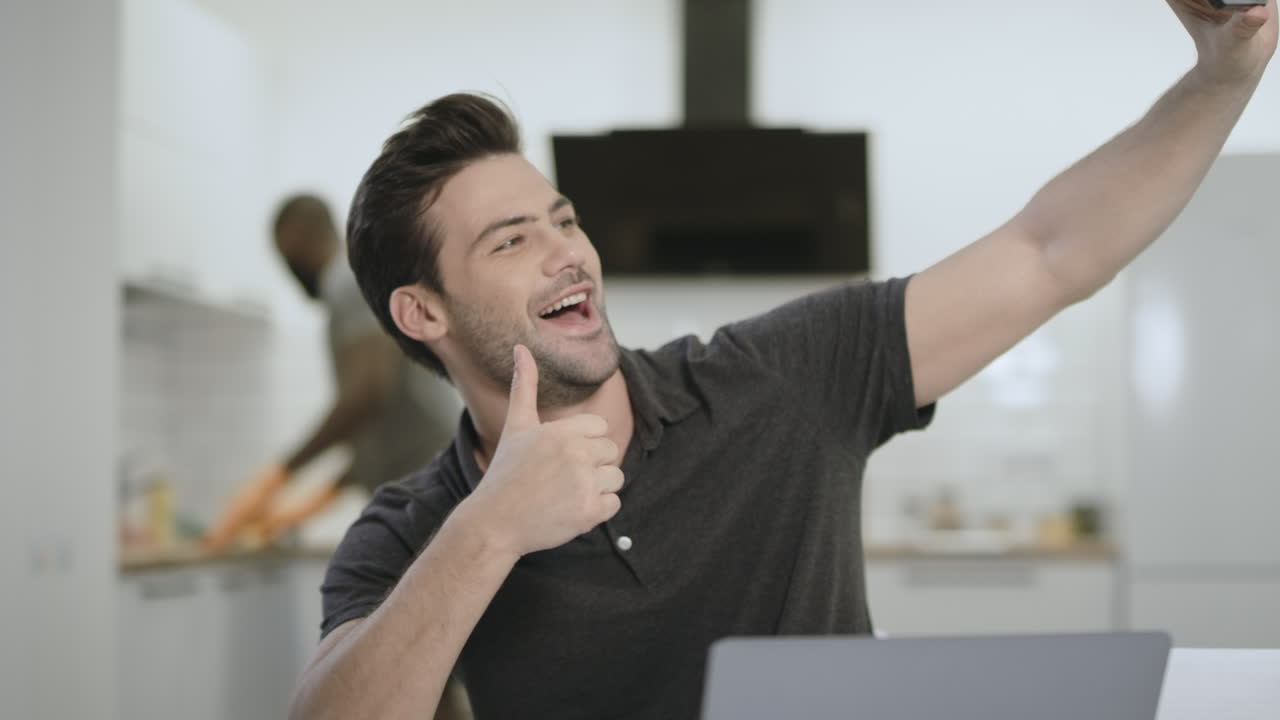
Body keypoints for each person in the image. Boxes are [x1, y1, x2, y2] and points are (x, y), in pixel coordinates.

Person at [288, 3, 1275, 718]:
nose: (566, 252)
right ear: (422, 311)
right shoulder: (415, 530)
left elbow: (1047, 252)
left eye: (563, 219)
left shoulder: (777, 379)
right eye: (510, 242)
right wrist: (490, 528)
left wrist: (1222, 76)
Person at [202, 195, 461, 549]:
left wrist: (272, 479)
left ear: (292, 240)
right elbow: (388, 424)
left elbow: (366, 394)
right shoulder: (359, 281)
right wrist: (304, 506)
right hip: (433, 486)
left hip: (434, 494)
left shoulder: (346, 282)